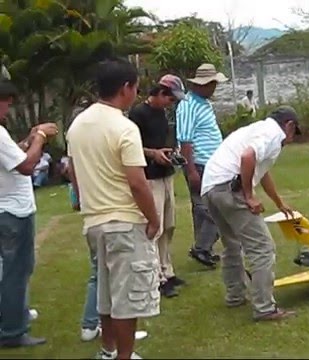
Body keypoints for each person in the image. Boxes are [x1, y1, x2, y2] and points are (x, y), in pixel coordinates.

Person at [67, 58, 160, 359]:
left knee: (106, 295)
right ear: (126, 88)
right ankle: (124, 356)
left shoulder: (78, 124)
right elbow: (137, 182)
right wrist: (153, 218)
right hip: (123, 222)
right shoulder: (124, 127)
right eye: (135, 87)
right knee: (127, 298)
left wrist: (84, 200)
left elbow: (73, 171)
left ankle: (108, 351)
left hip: (94, 223)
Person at [201, 105, 300, 321]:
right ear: (289, 125)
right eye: (294, 133)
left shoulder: (256, 129)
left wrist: (279, 202)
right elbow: (248, 157)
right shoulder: (274, 133)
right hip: (230, 187)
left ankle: (235, 295)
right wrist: (249, 196)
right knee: (263, 248)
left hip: (210, 188)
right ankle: (265, 308)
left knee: (232, 244)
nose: (290, 139)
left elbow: (260, 170)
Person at [0, 80, 58, 348]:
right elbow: (25, 165)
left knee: (12, 270)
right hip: (13, 211)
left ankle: (14, 315)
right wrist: (41, 139)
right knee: (16, 272)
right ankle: (13, 331)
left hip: (8, 209)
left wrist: (30, 138)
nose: (8, 107)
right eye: (6, 101)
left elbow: (14, 154)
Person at [129, 74, 186, 298]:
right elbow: (132, 147)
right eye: (171, 100)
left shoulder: (163, 114)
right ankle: (156, 277)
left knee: (169, 225)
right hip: (150, 176)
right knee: (155, 226)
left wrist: (173, 153)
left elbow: (165, 141)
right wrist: (154, 154)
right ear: (161, 94)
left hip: (166, 174)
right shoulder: (137, 115)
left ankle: (167, 269)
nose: (172, 104)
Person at [176, 63, 228, 267]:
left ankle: (203, 248)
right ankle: (201, 247)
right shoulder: (189, 106)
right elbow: (185, 141)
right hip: (199, 164)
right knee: (212, 209)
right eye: (212, 84)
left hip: (211, 163)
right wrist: (191, 171)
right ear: (203, 84)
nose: (215, 87)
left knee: (202, 209)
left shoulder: (204, 103)